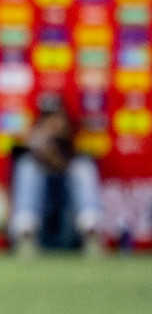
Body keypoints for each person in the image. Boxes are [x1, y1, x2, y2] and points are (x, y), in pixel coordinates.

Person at [9, 106, 103, 257]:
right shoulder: (33, 137)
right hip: (42, 186)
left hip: (67, 182)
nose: (53, 123)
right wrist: (40, 143)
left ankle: (91, 232)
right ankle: (25, 235)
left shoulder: (74, 136)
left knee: (83, 168)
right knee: (27, 167)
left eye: (56, 118)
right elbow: (26, 154)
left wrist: (52, 150)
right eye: (48, 119)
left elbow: (64, 162)